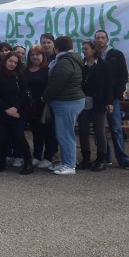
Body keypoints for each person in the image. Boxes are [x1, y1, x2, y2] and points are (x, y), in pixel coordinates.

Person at [42, 36, 85, 175]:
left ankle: (69, 164)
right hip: (69, 101)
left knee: (65, 134)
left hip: (67, 101)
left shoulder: (64, 62)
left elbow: (56, 84)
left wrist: (45, 97)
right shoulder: (71, 59)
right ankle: (66, 161)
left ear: (56, 48)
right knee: (64, 133)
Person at [95, 30, 129, 170]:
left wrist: (116, 95)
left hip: (112, 98)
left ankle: (123, 158)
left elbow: (123, 76)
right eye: (98, 38)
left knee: (116, 128)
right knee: (99, 129)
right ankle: (105, 156)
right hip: (98, 98)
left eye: (102, 38)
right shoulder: (93, 56)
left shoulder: (116, 54)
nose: (100, 40)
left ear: (107, 39)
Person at [0, 52, 33, 174]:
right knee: (1, 137)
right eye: (10, 61)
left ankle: (28, 162)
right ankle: (2, 161)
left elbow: (24, 94)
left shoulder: (20, 75)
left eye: (15, 62)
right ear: (5, 61)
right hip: (1, 111)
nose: (12, 64)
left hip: (17, 112)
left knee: (19, 136)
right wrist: (6, 109)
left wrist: (15, 108)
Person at [78, 40, 113, 171]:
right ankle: (86, 157)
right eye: (83, 49)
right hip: (84, 101)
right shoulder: (82, 65)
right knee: (83, 130)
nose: (84, 51)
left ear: (94, 50)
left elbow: (108, 85)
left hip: (99, 102)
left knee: (99, 131)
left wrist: (109, 102)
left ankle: (101, 159)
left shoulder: (104, 65)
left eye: (86, 48)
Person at [23, 45, 55, 169]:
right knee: (36, 132)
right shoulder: (26, 70)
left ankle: (48, 157)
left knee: (48, 132)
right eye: (32, 55)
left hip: (45, 106)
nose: (35, 57)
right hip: (31, 106)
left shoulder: (48, 70)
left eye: (38, 54)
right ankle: (36, 155)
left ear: (43, 56)